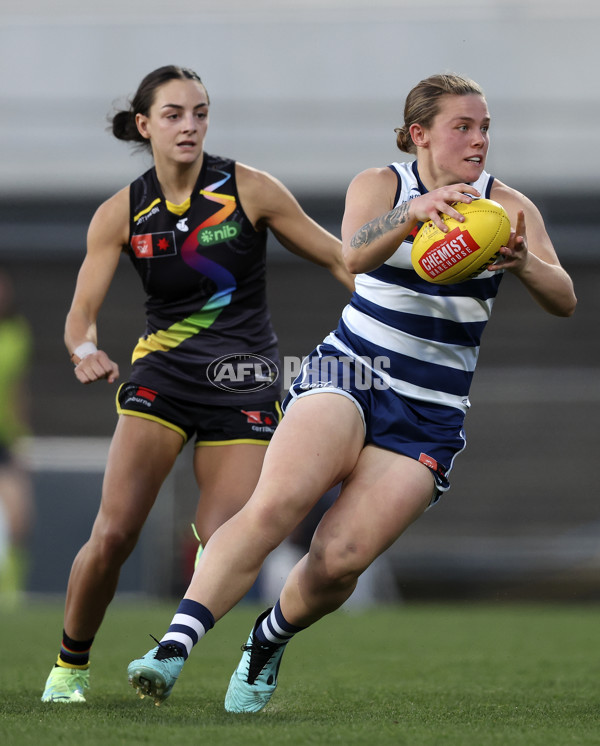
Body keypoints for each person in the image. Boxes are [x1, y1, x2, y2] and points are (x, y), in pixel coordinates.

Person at [126, 72, 576, 711]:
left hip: (429, 411)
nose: (478, 141)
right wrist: (409, 214)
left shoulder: (509, 208)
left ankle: (267, 641)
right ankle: (173, 645)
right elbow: (355, 254)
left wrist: (525, 260)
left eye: (484, 129)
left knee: (340, 558)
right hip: (351, 372)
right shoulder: (381, 185)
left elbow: (566, 299)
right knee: (278, 503)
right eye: (463, 127)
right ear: (420, 134)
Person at [41, 65, 354, 703]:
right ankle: (69, 667)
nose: (190, 125)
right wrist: (84, 350)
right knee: (115, 533)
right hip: (163, 377)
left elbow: (339, 256)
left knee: (225, 536)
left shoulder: (251, 189)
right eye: (175, 114)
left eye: (200, 112)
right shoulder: (120, 212)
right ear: (144, 125)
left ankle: (170, 649)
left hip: (244, 380)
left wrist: (389, 311)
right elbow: (80, 312)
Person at [0, 272, 34, 609]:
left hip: (4, 441)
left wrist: (21, 438)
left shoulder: (16, 333)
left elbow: (17, 390)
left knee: (20, 519)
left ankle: (10, 594)